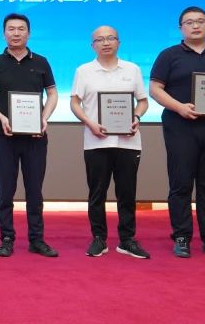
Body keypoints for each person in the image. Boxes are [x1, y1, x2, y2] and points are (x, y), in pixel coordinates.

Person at [149, 6, 205, 259]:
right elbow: (155, 89)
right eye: (189, 22)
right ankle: (181, 236)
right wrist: (179, 107)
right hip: (180, 127)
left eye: (200, 21)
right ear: (181, 28)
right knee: (180, 183)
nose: (195, 26)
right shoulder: (169, 55)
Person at [0, 13, 59, 257]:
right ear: (4, 33)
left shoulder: (41, 62)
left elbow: (52, 94)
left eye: (21, 29)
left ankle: (37, 239)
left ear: (29, 33)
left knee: (35, 191)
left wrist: (44, 117)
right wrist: (1, 117)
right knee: (6, 190)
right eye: (11, 29)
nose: (16, 33)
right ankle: (6, 238)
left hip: (35, 137)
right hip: (5, 136)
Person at [69, 25, 151, 259]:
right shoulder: (84, 71)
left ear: (118, 42)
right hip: (96, 141)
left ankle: (127, 240)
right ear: (92, 45)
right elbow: (75, 102)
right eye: (100, 39)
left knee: (127, 193)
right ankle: (99, 238)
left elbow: (143, 101)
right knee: (97, 193)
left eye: (111, 38)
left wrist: (136, 117)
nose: (106, 43)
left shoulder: (132, 69)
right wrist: (89, 123)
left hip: (128, 142)